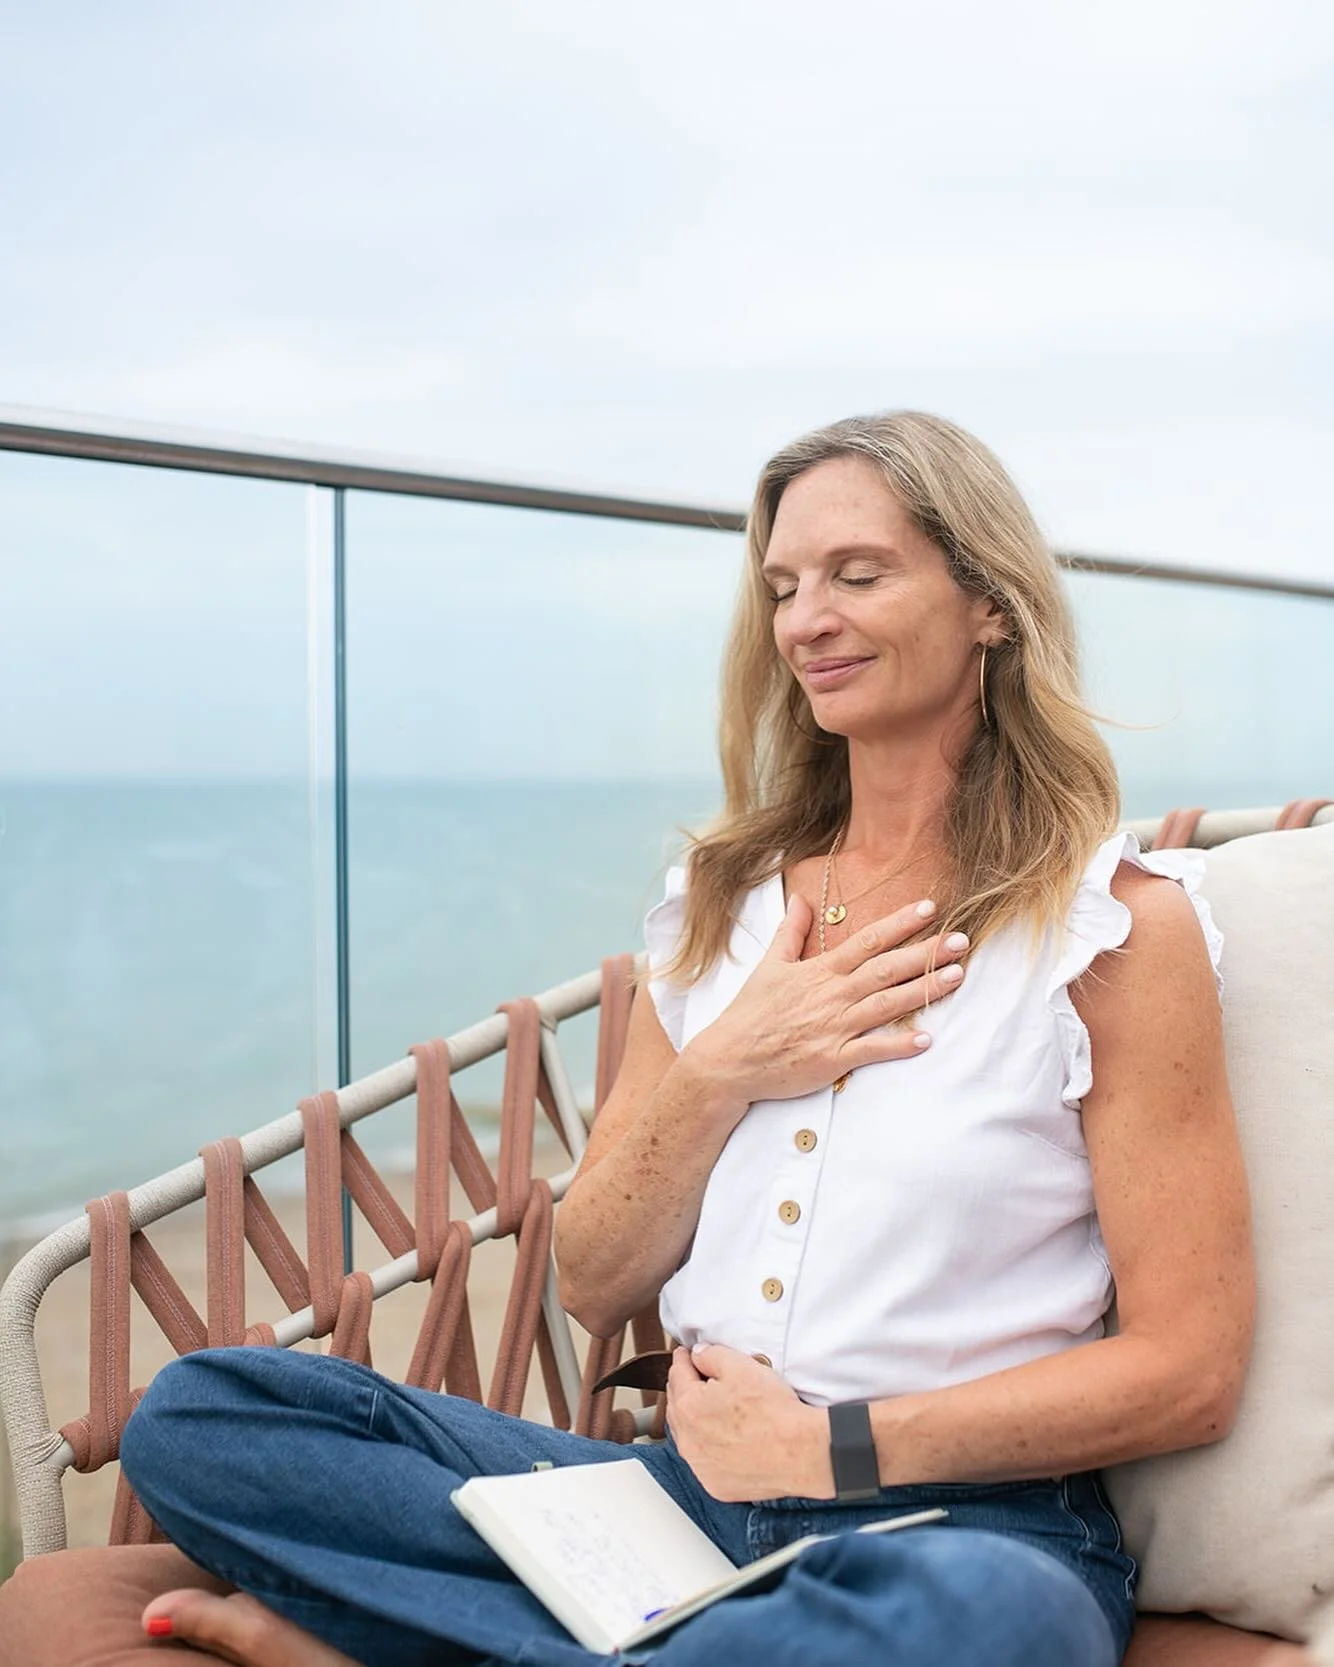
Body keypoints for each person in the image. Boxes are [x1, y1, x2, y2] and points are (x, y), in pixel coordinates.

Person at [119, 411, 1260, 1667]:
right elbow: (592, 1278)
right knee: (208, 1413)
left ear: (988, 601)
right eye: (782, 586)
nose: (804, 621)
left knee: (990, 1617)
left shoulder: (1108, 929)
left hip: (951, 1526)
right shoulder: (721, 906)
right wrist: (727, 1064)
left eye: (856, 573)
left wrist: (826, 1446)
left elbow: (1186, 1369)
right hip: (667, 1509)